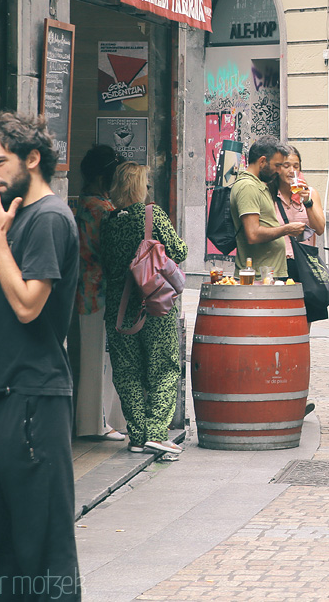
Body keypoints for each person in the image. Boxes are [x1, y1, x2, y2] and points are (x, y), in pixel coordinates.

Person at [0, 112, 81, 601]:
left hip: (30, 398)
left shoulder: (49, 217)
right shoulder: (12, 216)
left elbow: (30, 304)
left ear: (33, 159)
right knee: (0, 547)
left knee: (42, 552)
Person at [101, 162, 188, 457]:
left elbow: (106, 263)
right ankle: (156, 432)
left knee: (127, 370)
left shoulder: (109, 221)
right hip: (154, 303)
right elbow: (180, 251)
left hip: (118, 306)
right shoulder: (152, 215)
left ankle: (137, 434)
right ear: (141, 187)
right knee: (163, 366)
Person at [72, 144, 127, 441]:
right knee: (98, 358)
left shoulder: (84, 203)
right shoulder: (102, 209)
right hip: (99, 289)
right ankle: (95, 422)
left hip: (86, 287)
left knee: (93, 357)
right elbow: (104, 252)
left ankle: (95, 420)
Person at [230, 135, 303, 279]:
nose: (279, 171)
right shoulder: (247, 186)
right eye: (277, 165)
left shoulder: (257, 185)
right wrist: (287, 229)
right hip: (258, 276)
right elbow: (253, 234)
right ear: (262, 161)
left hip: (267, 274)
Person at [273, 144, 326, 259]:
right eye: (286, 166)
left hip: (304, 261)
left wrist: (307, 202)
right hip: (278, 262)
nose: (292, 171)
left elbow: (320, 229)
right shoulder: (270, 195)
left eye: (296, 166)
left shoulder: (310, 193)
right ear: (278, 168)